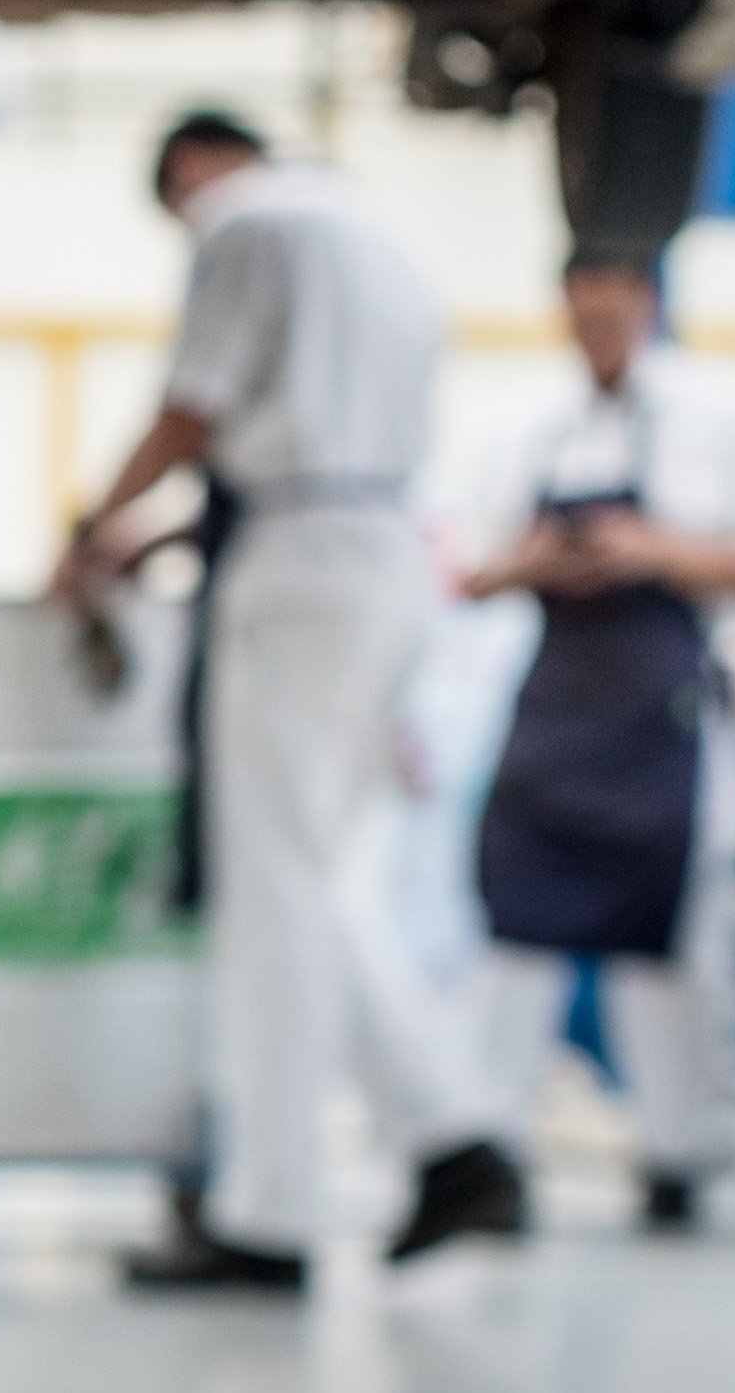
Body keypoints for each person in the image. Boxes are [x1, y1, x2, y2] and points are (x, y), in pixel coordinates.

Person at [70, 110, 530, 1289]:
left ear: (191, 171)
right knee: (313, 875)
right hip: (380, 550)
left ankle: (269, 1211)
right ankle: (452, 1133)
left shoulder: (244, 223)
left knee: (272, 886)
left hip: (296, 569)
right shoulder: (376, 238)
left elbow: (196, 408)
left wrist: (92, 524)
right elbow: (309, 443)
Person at [461, 251, 735, 1229]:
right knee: (513, 932)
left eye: (612, 314)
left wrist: (649, 550)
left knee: (673, 945)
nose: (596, 333)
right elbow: (469, 575)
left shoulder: (717, 420)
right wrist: (537, 561)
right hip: (558, 708)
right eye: (579, 317)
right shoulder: (526, 429)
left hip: (664, 717)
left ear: (644, 306)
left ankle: (677, 1154)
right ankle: (488, 1153)